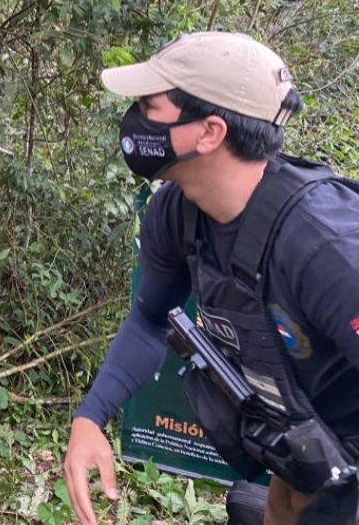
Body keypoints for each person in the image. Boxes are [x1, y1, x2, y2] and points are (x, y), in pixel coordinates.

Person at [63, 32, 359, 525]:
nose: (133, 120)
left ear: (209, 132)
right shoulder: (176, 213)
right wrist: (90, 417)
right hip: (307, 453)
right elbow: (150, 322)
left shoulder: (325, 248)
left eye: (149, 107)